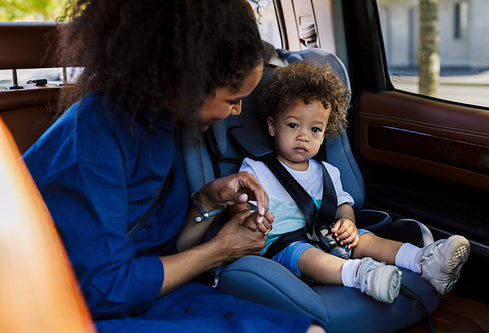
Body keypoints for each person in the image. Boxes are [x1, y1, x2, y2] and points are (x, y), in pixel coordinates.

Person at [22, 0, 324, 332]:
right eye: (232, 100)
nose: (237, 112)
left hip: (147, 298)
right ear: (187, 85)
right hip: (75, 311)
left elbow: (164, 254)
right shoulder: (92, 138)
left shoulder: (165, 125)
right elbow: (105, 289)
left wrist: (207, 202)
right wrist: (219, 250)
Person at [235, 61, 470, 303]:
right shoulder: (256, 169)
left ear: (325, 133)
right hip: (282, 247)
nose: (304, 135)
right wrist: (249, 217)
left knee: (365, 238)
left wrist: (347, 222)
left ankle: (423, 261)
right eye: (293, 125)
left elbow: (342, 205)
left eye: (315, 130)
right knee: (304, 253)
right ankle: (363, 275)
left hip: (325, 236)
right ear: (273, 127)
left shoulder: (326, 171)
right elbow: (238, 204)